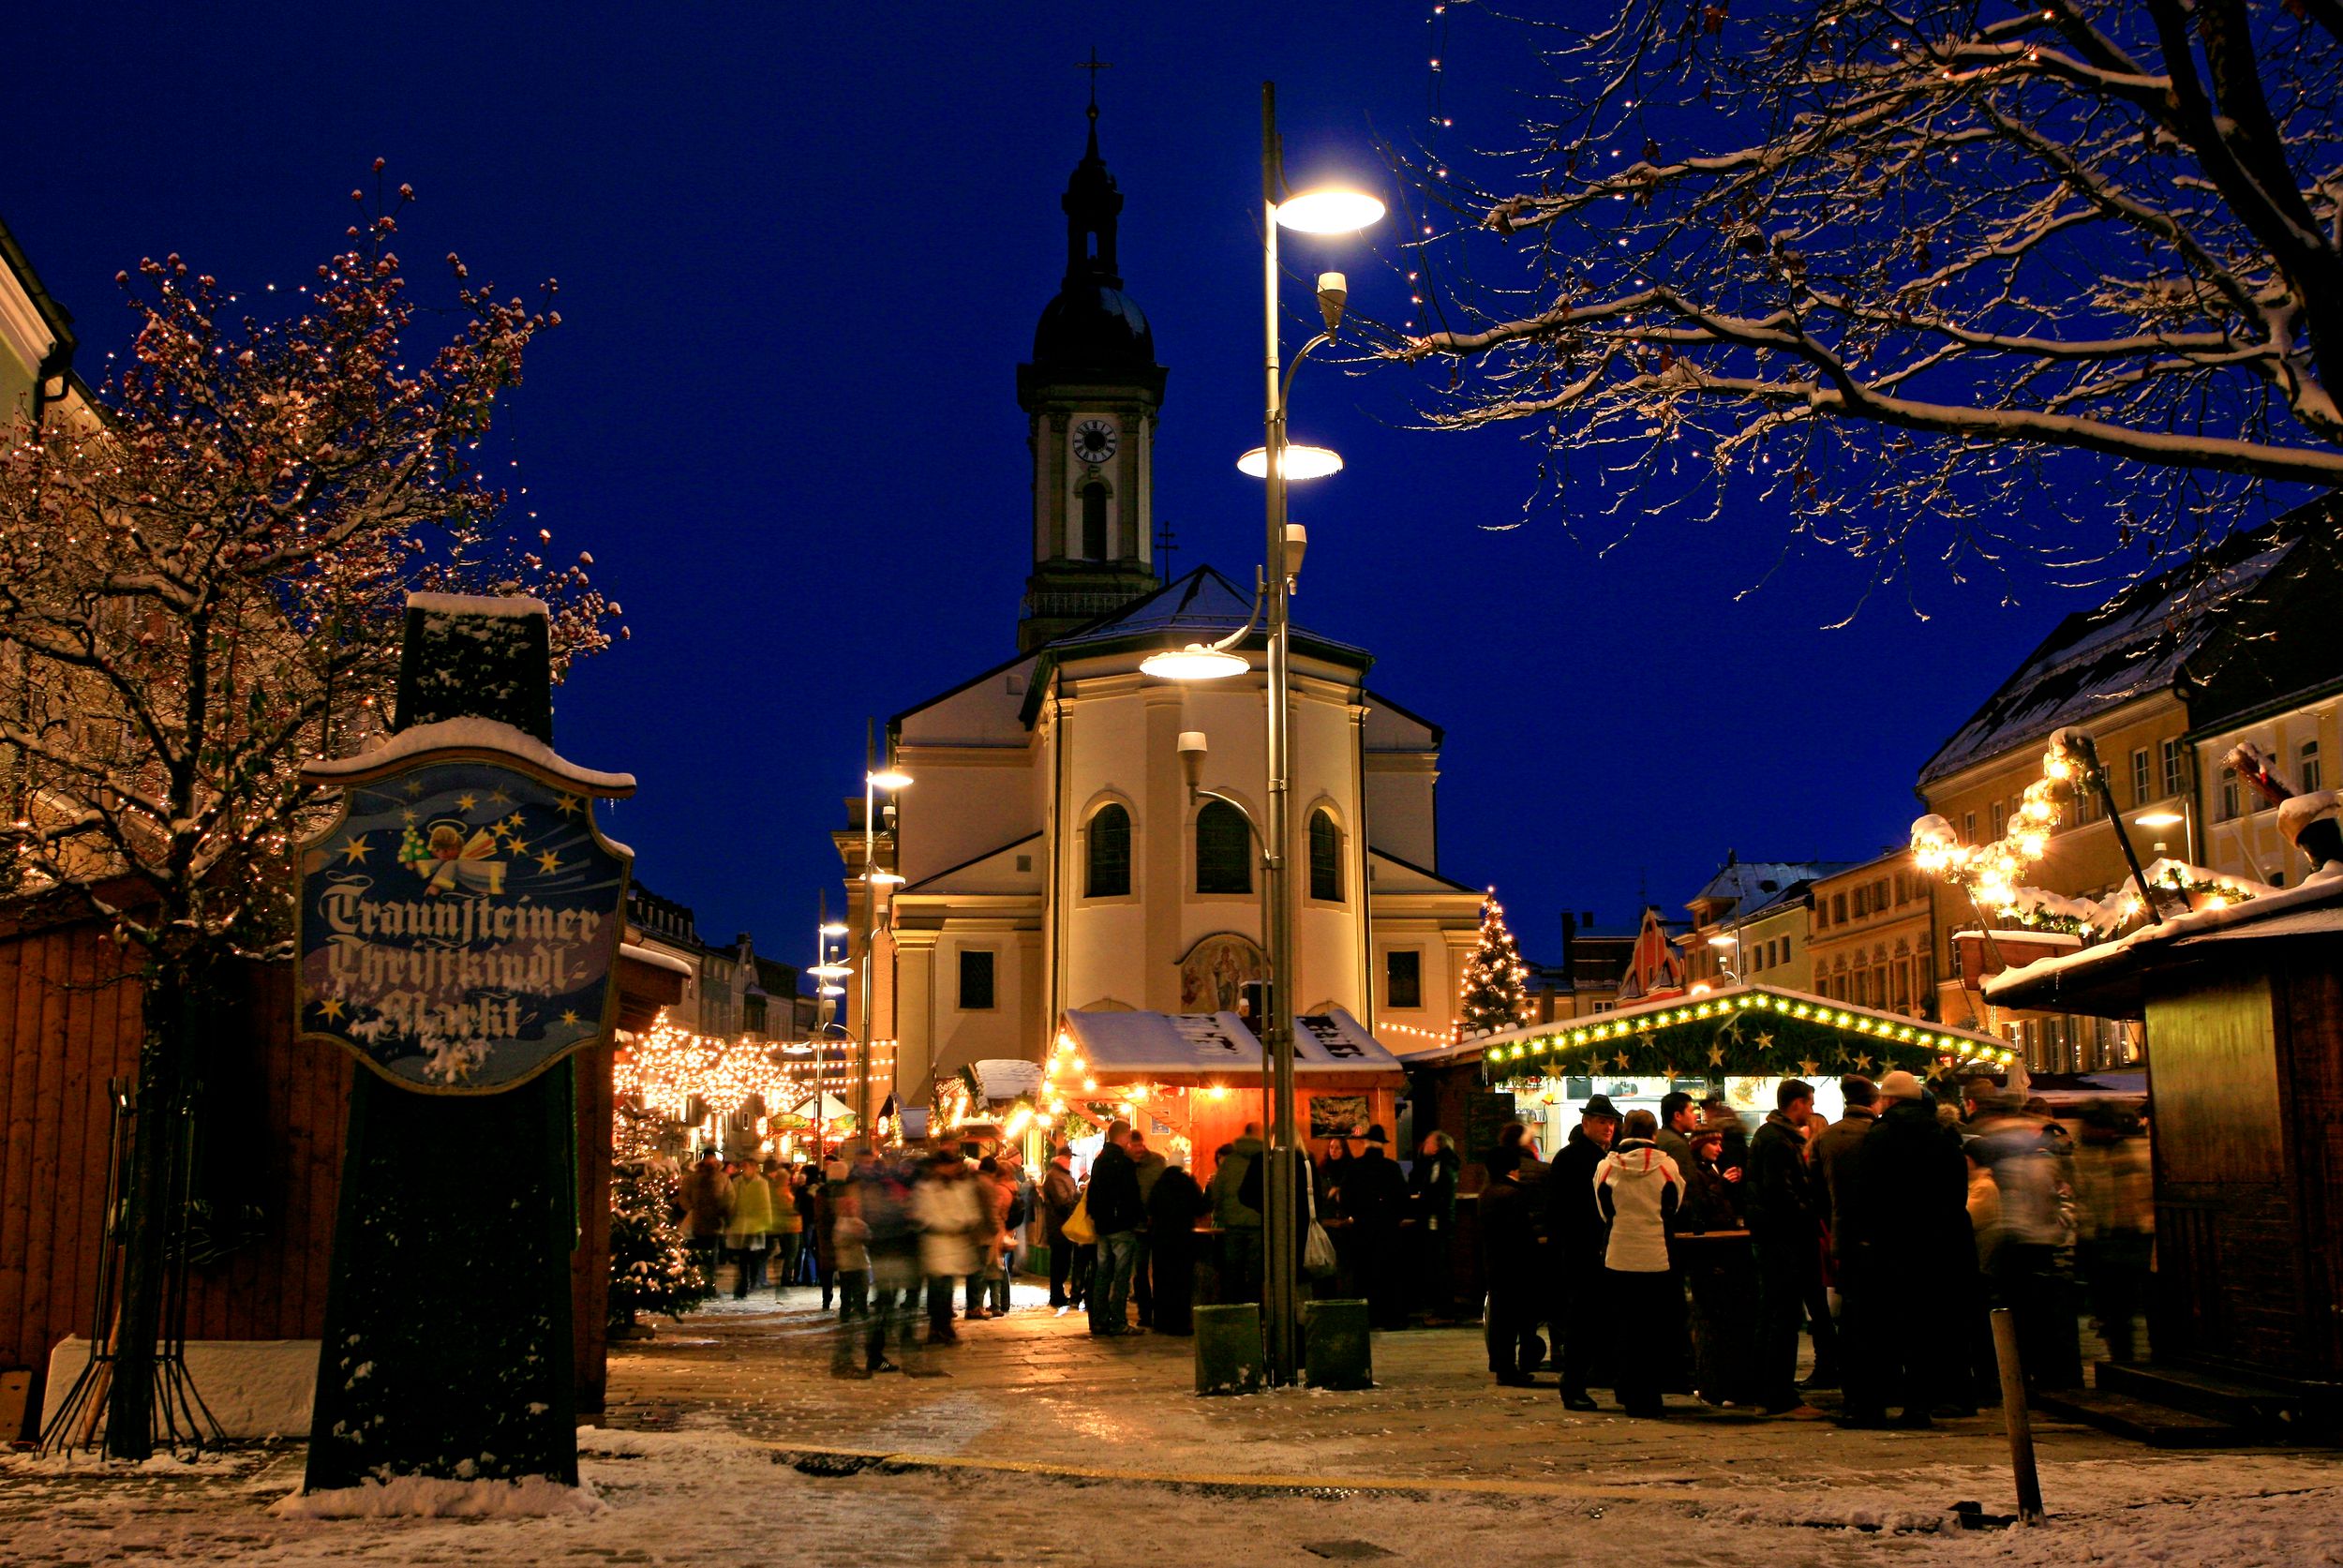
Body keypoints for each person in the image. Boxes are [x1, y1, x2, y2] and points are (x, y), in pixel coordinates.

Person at [1839, 1068, 1971, 1427]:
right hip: (1932, 1247)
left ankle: (1873, 1406)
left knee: (1880, 1329)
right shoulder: (1943, 1136)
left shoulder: (1880, 1135)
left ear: (1890, 1099)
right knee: (1923, 1329)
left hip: (1888, 1247)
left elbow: (1865, 1190)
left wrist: (1863, 1237)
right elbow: (1957, 1192)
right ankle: (1918, 1405)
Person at [1594, 1109, 1685, 1417]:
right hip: (1656, 1255)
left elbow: (1604, 1211)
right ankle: (1650, 1394)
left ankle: (1626, 1389)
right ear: (1654, 1134)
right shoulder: (1667, 1166)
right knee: (1653, 1328)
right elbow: (1674, 1207)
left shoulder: (1607, 1166)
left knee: (1623, 1325)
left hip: (1619, 1253)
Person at [1745, 1079, 1827, 1417]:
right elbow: (1781, 1194)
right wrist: (1809, 1213)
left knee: (1773, 1315)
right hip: (1785, 1240)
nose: (1810, 1110)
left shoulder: (1772, 1137)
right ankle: (1780, 1396)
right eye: (1809, 1103)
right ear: (1796, 1104)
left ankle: (1765, 1391)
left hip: (1774, 1238)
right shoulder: (1779, 1141)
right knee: (1782, 1317)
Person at [1546, 1094, 1621, 1411]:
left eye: (1611, 1122)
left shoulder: (1604, 1157)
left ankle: (1589, 1377)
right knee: (1583, 1319)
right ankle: (1574, 1383)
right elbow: (1565, 1209)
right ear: (1585, 1123)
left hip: (1595, 1248)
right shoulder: (1575, 1158)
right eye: (1602, 1121)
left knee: (1592, 1318)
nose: (1608, 1127)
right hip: (1583, 1249)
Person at [1676, 1121, 1758, 1407]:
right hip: (1709, 1253)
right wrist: (1722, 1185)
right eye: (1714, 1143)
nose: (1720, 1148)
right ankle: (1714, 1385)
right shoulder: (1698, 1174)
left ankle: (1726, 1383)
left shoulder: (1710, 1170)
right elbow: (1701, 1206)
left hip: (1722, 1250)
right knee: (1712, 1321)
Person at [2074, 1106, 2152, 1365]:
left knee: (2120, 1302)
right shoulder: (2089, 1155)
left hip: (2128, 1236)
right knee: (2114, 1304)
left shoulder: (2125, 1153)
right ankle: (2122, 1354)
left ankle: (2125, 1355)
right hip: (2109, 1237)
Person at [1478, 1144, 1541, 1386]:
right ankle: (1511, 1368)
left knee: (1501, 1319)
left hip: (1495, 1264)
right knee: (1516, 1319)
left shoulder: (1488, 1192)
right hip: (1516, 1266)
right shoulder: (1512, 1194)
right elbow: (1522, 1235)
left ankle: (1502, 1365)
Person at [913, 1151, 984, 1345]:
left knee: (947, 1288)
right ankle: (938, 1327)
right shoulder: (926, 1188)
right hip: (937, 1244)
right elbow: (924, 1215)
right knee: (938, 1289)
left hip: (955, 1244)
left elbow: (971, 1213)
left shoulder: (962, 1186)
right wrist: (948, 1223)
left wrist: (961, 1222)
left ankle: (943, 1326)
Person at [1343, 1125, 1410, 1329]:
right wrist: (1396, 1217)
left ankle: (1365, 1319)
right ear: (1382, 1144)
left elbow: (1346, 1198)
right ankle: (1391, 1318)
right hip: (1388, 1228)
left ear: (1365, 1142)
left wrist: (1354, 1215)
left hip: (1363, 1227)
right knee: (1389, 1274)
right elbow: (1403, 1198)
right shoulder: (1391, 1168)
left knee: (1363, 1273)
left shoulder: (1355, 1167)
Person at [1085, 1120, 1147, 1336]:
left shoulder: (1099, 1161)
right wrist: (1139, 1218)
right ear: (1123, 1136)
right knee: (1121, 1276)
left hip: (1103, 1227)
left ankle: (1099, 1320)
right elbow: (1131, 1196)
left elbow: (1092, 1194)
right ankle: (1118, 1321)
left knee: (1103, 1274)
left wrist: (1096, 1217)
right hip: (1121, 1226)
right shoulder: (1124, 1163)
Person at [1146, 1150, 1209, 1336]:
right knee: (1181, 1281)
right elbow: (1200, 1208)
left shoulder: (1158, 1185)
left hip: (1160, 1240)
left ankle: (1161, 1321)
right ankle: (1180, 1322)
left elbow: (1150, 1208)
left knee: (1162, 1280)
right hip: (1183, 1239)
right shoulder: (1188, 1184)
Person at [1410, 1130, 1462, 1322]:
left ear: (1438, 1146)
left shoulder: (1439, 1165)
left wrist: (1423, 1212)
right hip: (1444, 1221)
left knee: (1439, 1267)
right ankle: (1443, 1308)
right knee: (1442, 1266)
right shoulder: (1448, 1163)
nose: (1425, 1145)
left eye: (1428, 1142)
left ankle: (1443, 1310)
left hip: (1437, 1222)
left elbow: (1433, 1194)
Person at [1212, 1124, 1267, 1305]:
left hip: (1233, 1224)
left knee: (1232, 1271)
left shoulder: (1230, 1161)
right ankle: (1254, 1313)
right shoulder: (1266, 1159)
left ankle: (1233, 1312)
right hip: (1259, 1223)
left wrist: (1220, 1214)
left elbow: (1217, 1190)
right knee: (1255, 1273)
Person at [966, 1156, 1014, 1321]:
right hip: (985, 1234)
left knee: (977, 1272)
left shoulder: (973, 1182)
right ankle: (976, 1308)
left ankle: (974, 1306)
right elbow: (991, 1211)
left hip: (974, 1232)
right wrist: (997, 1233)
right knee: (985, 1272)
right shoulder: (988, 1185)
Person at [1130, 1131, 1167, 1327]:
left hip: (1157, 1224)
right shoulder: (1125, 1165)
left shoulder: (1158, 1162)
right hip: (1136, 1227)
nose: (1138, 1149)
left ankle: (1159, 1312)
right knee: (1141, 1271)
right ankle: (1145, 1313)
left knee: (1159, 1269)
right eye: (1134, 1145)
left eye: (1139, 1145)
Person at [680, 1149, 732, 1283]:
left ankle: (709, 1283)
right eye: (708, 1158)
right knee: (697, 1255)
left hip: (715, 1222)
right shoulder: (693, 1178)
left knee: (711, 1256)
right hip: (697, 1222)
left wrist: (724, 1211)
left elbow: (730, 1197)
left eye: (712, 1158)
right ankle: (697, 1282)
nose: (710, 1161)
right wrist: (691, 1208)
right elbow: (684, 1196)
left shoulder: (722, 1178)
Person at [725, 1158, 775, 1298]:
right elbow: (732, 1201)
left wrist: (767, 1223)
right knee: (743, 1257)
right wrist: (730, 1218)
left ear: (754, 1168)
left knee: (752, 1256)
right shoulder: (737, 1182)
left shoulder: (761, 1183)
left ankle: (750, 1281)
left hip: (755, 1225)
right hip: (740, 1224)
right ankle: (743, 1284)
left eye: (746, 1166)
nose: (743, 1168)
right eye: (742, 1166)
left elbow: (765, 1204)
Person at [1042, 1145, 1082, 1309]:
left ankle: (1058, 1294)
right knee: (1060, 1262)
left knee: (1062, 1261)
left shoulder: (1062, 1175)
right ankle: (1056, 1295)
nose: (1071, 1162)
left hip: (1062, 1226)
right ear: (1062, 1159)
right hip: (1059, 1226)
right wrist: (1077, 1201)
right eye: (1069, 1159)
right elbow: (1062, 1202)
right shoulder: (1055, 1177)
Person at [1654, 1092, 1699, 1172]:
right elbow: (1686, 1180)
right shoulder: (1676, 1145)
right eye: (1691, 1111)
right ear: (1677, 1116)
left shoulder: (1658, 1135)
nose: (1695, 1117)